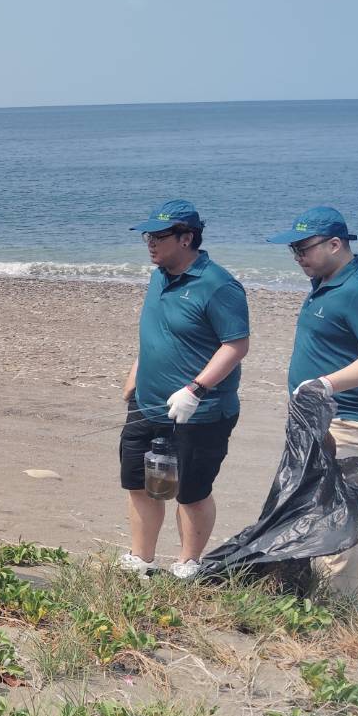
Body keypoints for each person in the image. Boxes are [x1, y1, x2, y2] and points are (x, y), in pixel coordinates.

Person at [268, 206, 358, 594]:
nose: (297, 257)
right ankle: (310, 594)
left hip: (348, 418)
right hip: (319, 417)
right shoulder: (326, 281)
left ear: (336, 244)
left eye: (303, 248)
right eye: (293, 250)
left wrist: (325, 384)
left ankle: (337, 605)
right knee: (308, 503)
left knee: (332, 511)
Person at [118, 201, 250, 579]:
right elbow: (159, 333)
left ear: (186, 238)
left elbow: (236, 345)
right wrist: (135, 374)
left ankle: (188, 563)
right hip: (147, 404)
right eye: (148, 236)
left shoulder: (218, 285)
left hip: (200, 410)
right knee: (139, 482)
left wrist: (195, 389)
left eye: (159, 236)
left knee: (191, 491)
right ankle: (141, 559)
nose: (150, 243)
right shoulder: (159, 276)